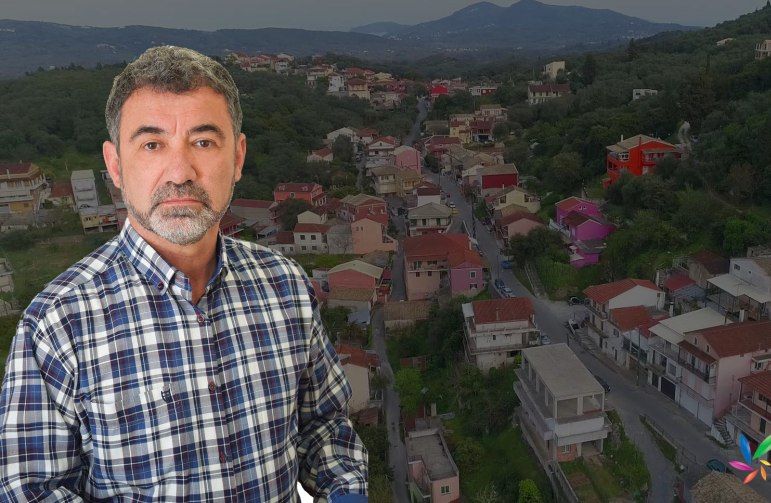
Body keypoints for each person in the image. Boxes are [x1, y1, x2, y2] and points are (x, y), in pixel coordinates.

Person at [0, 46, 368, 502]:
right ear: (115, 165)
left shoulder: (285, 285)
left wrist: (345, 491)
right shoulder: (58, 323)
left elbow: (324, 425)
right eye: (152, 144)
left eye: (203, 142)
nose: (180, 172)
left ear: (238, 157)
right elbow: (31, 491)